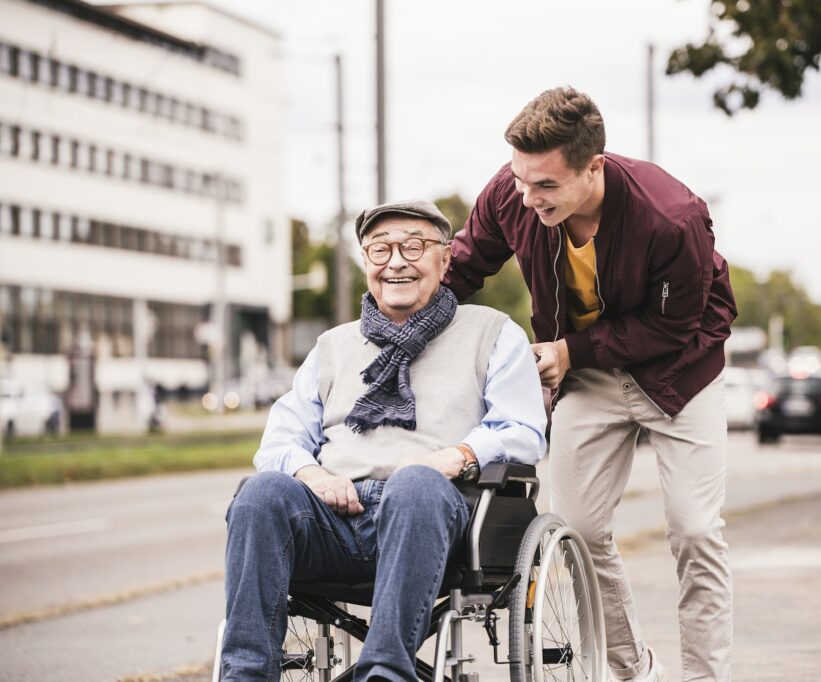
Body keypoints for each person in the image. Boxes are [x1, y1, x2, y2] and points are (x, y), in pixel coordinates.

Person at [443, 86, 738, 681]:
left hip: (681, 373)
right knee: (574, 528)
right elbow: (463, 265)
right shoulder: (513, 193)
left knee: (696, 530)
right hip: (589, 375)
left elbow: (675, 325)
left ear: (593, 166)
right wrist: (400, 316)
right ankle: (632, 670)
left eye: (546, 186)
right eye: (522, 180)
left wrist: (568, 350)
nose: (528, 198)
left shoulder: (671, 217)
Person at [219, 200, 547, 681]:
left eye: (413, 246)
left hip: (438, 515)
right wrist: (311, 474)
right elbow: (279, 440)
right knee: (260, 493)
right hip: (335, 518)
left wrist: (455, 457)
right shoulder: (333, 346)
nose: (396, 261)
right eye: (380, 249)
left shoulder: (491, 332)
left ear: (444, 258)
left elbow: (522, 430)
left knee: (415, 484)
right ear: (366, 262)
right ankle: (244, 676)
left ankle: (386, 675)